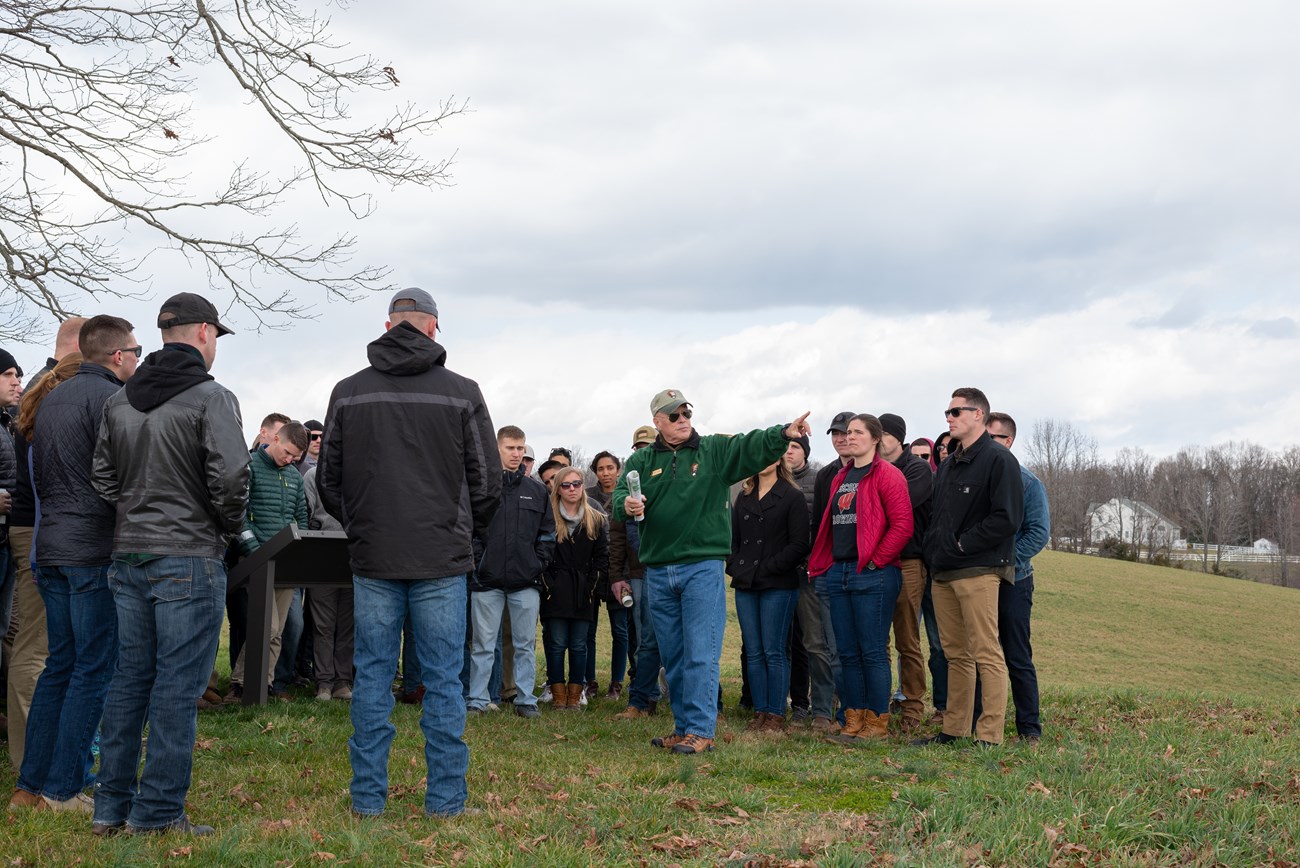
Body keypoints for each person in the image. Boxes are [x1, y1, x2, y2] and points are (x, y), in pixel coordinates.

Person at [318, 287, 500, 818]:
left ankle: (368, 801)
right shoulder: (463, 392)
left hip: (376, 555)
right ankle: (446, 802)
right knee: (444, 679)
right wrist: (462, 531)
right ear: (432, 329)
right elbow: (486, 482)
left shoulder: (349, 392)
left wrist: (362, 525)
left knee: (372, 677)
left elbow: (329, 479)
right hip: (440, 557)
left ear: (388, 325)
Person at [91, 292, 248, 836]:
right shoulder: (211, 396)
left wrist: (138, 510)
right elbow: (231, 479)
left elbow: (104, 478)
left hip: (130, 551)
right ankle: (156, 815)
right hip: (187, 553)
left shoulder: (121, 400)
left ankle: (111, 809)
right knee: (176, 689)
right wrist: (223, 526)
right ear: (205, 332)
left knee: (130, 682)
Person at [612, 389, 811, 755]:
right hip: (658, 569)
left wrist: (782, 433)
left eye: (686, 411)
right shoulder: (639, 460)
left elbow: (749, 445)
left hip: (701, 567)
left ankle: (702, 729)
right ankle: (683, 726)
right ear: (657, 421)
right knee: (672, 654)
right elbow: (619, 498)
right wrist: (625, 503)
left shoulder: (714, 451)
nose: (683, 419)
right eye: (674, 415)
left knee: (701, 651)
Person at [10, 317, 139, 816]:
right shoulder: (110, 399)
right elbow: (115, 476)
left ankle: (28, 787)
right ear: (116, 355)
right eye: (135, 350)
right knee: (91, 669)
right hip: (89, 548)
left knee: (59, 666)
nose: (138, 358)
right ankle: (62, 790)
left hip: (52, 547)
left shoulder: (49, 396)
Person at [914, 388, 1023, 748]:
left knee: (986, 652)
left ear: (979, 415)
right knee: (954, 653)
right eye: (947, 412)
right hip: (943, 572)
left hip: (979, 569)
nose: (949, 418)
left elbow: (1007, 518)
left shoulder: (998, 460)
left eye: (957, 411)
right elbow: (938, 518)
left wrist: (962, 544)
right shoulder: (947, 463)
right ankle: (954, 729)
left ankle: (990, 735)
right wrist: (936, 549)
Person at [4, 318, 85, 766]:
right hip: (36, 527)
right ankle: (28, 759)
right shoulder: (49, 387)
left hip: (46, 525)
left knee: (51, 645)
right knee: (36, 646)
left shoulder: (51, 385)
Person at [808, 414, 913, 743]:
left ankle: (877, 723)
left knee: (872, 651)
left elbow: (902, 525)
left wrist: (876, 562)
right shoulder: (841, 476)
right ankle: (852, 719)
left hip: (874, 573)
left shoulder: (888, 475)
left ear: (875, 439)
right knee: (847, 652)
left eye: (857, 432)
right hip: (839, 571)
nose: (849, 438)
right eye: (847, 432)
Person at [467, 425, 554, 719]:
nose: (516, 454)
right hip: (487, 582)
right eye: (510, 448)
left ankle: (525, 699)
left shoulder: (537, 491)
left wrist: (535, 564)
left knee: (525, 645)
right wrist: (480, 562)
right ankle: (477, 699)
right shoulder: (481, 489)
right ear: (497, 449)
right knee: (482, 645)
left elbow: (547, 535)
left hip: (525, 583)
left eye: (520, 448)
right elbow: (470, 531)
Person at [225, 422, 309, 703]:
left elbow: (301, 517)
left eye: (295, 458)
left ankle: (264, 683)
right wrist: (253, 550)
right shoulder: (249, 468)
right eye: (287, 453)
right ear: (274, 438)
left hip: (286, 562)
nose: (289, 460)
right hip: (255, 561)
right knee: (267, 627)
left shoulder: (295, 478)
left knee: (279, 629)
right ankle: (240, 683)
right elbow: (241, 512)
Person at [981, 411, 1049, 745]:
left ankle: (1029, 729)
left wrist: (1006, 562)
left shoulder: (1027, 482)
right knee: (980, 651)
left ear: (1008, 441)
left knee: (1016, 654)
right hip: (977, 578)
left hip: (1014, 580)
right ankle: (980, 723)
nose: (987, 443)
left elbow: (1038, 532)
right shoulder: (978, 477)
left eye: (994, 437)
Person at [729, 458, 810, 732]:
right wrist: (736, 566)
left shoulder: (792, 495)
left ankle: (775, 713)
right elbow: (734, 539)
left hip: (778, 583)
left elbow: (799, 543)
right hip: (746, 584)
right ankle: (760, 711)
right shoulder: (744, 495)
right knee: (753, 651)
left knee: (773, 650)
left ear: (778, 459)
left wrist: (770, 567)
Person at [877, 413, 933, 733]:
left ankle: (912, 705)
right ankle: (878, 701)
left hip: (909, 562)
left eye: (883, 434)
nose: (878, 439)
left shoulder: (918, 469)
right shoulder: (872, 468)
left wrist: (873, 504)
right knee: (877, 639)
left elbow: (902, 504)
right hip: (877, 562)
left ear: (898, 437)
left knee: (907, 637)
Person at [542, 466, 609, 710]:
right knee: (557, 643)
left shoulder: (596, 519)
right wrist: (549, 585)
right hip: (555, 591)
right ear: (557, 489)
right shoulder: (547, 518)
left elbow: (602, 558)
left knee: (580, 644)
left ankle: (575, 696)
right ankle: (558, 695)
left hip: (583, 591)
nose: (572, 489)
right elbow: (541, 554)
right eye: (566, 485)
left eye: (577, 484)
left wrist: (592, 587)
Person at [780, 435, 834, 729]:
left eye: (795, 447)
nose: (789, 452)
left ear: (805, 452)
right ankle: (792, 705)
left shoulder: (819, 479)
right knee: (782, 644)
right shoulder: (771, 480)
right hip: (779, 574)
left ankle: (823, 707)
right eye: (785, 447)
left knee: (815, 642)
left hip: (810, 572)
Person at [809, 410, 857, 730]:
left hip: (864, 569)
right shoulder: (826, 475)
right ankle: (839, 712)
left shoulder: (871, 470)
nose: (840, 439)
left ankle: (865, 710)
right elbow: (819, 524)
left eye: (845, 433)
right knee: (833, 648)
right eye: (835, 434)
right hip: (830, 568)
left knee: (863, 647)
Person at [586, 451, 629, 700]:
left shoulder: (624, 495)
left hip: (619, 571)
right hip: (594, 570)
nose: (605, 473)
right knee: (589, 629)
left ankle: (616, 682)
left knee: (620, 630)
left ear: (617, 469)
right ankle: (590, 681)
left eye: (610, 468)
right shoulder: (588, 496)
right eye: (601, 469)